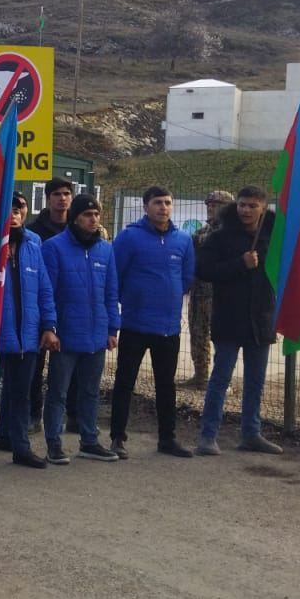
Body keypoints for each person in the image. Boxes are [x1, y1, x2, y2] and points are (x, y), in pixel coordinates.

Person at [0, 193, 56, 472]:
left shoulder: (33, 244)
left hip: (26, 338)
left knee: (21, 395)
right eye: (8, 210)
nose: (13, 215)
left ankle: (21, 448)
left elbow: (44, 289)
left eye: (18, 209)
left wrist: (49, 326)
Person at [195, 186, 282, 456]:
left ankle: (251, 433)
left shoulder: (274, 237)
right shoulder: (220, 237)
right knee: (220, 379)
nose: (246, 210)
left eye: (252, 206)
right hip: (229, 319)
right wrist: (239, 264)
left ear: (263, 208)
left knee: (255, 382)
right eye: (242, 205)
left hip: (261, 319)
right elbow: (204, 270)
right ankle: (208, 436)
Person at [111, 186, 196, 459]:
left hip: (168, 327)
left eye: (168, 202)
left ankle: (167, 438)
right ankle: (117, 438)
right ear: (146, 206)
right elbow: (115, 276)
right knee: (125, 382)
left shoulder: (183, 240)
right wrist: (132, 300)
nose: (163, 207)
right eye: (158, 202)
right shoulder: (129, 237)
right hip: (135, 324)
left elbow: (186, 277)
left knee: (166, 385)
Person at [40, 193, 121, 464]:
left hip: (96, 335)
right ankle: (53, 442)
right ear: (75, 218)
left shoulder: (105, 249)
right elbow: (47, 291)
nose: (93, 219)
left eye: (97, 214)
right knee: (58, 392)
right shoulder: (53, 247)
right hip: (65, 334)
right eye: (88, 215)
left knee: (90, 391)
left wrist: (112, 328)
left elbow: (111, 292)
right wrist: (50, 327)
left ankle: (89, 440)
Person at [23, 176, 76, 440]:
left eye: (66, 193)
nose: (62, 198)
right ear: (48, 198)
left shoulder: (78, 230)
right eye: (57, 194)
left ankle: (72, 415)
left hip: (71, 308)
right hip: (42, 308)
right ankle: (34, 415)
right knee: (35, 368)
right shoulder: (35, 232)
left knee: (71, 366)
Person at [186, 190, 235, 389]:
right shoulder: (200, 233)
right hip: (199, 293)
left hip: (222, 295)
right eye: (209, 204)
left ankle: (222, 380)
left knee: (222, 338)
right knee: (198, 333)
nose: (210, 208)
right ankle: (200, 375)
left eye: (216, 204)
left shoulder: (232, 234)